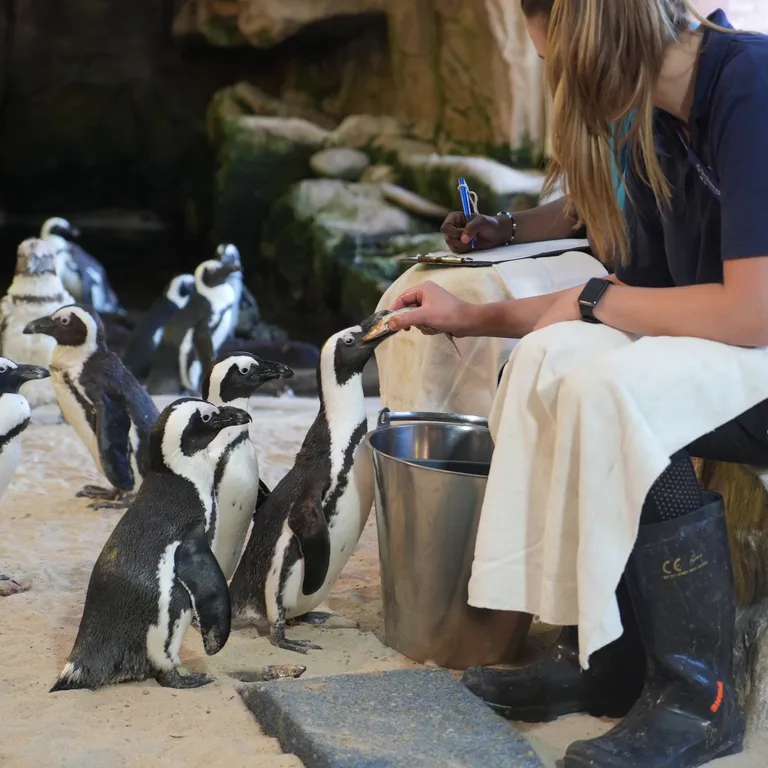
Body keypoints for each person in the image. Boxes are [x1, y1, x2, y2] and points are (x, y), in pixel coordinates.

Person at [386, 3, 768, 767]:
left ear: (599, 39)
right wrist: (469, 316)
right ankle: (605, 651)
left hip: (755, 338)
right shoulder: (659, 120)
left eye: (558, 62)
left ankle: (699, 701)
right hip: (737, 350)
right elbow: (624, 299)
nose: (561, 83)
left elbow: (750, 311)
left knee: (613, 390)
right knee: (552, 359)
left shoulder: (748, 83)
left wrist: (595, 303)